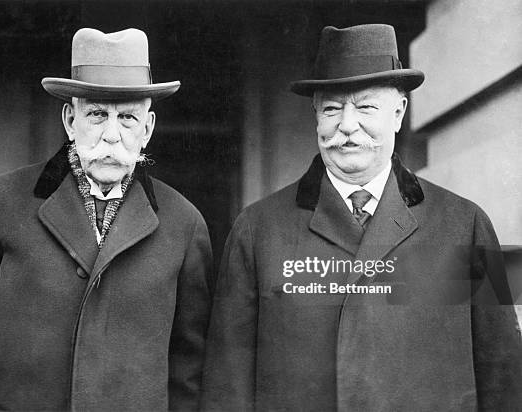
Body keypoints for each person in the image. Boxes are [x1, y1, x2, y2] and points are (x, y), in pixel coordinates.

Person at [201, 24, 521, 411]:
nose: (347, 126)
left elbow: (502, 376)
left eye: (366, 106)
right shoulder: (257, 231)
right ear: (316, 115)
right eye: (332, 108)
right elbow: (227, 387)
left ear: (399, 111)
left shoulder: (463, 225)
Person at [0, 28, 212, 411]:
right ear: (71, 120)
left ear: (148, 129)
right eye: (97, 115)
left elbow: (190, 370)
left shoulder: (184, 226)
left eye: (128, 119)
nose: (112, 136)